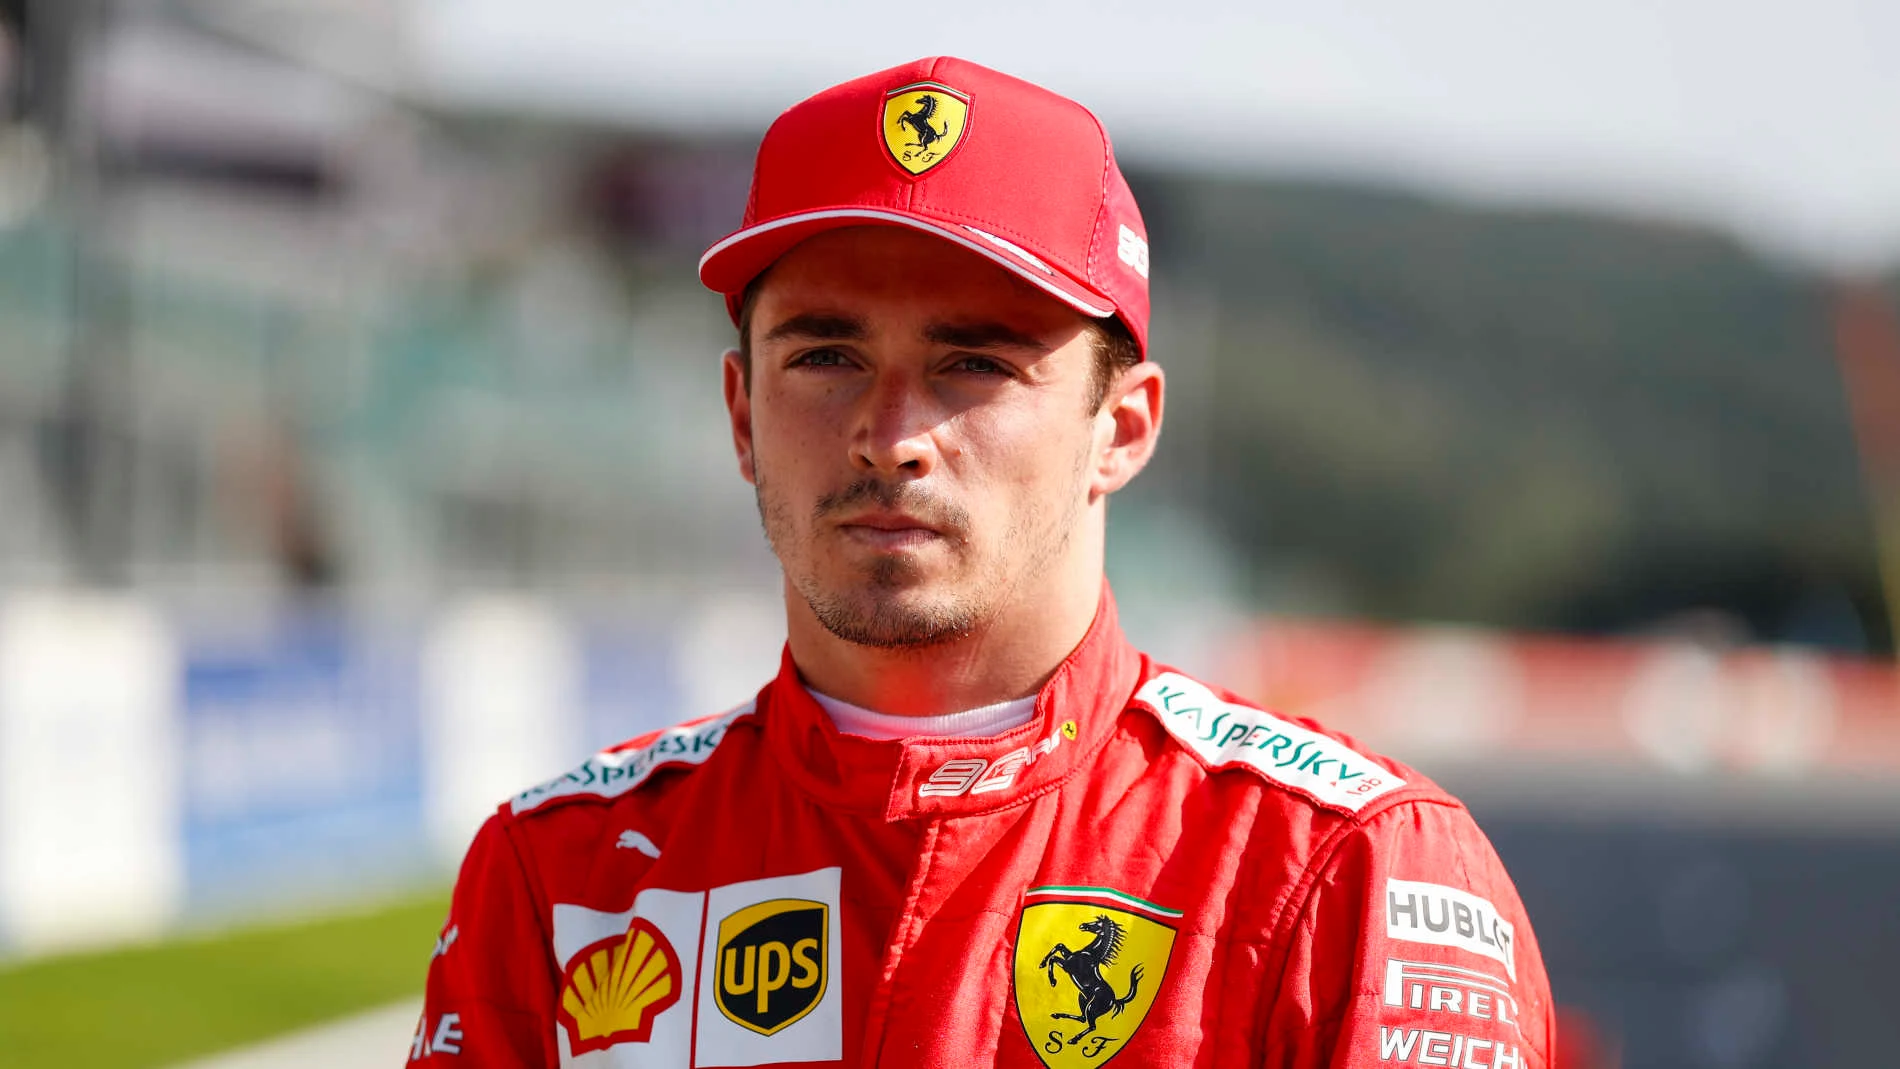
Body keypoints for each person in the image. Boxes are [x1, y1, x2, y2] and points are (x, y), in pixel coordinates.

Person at [414, 56, 1554, 1069]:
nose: (891, 434)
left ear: (1121, 429)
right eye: (825, 354)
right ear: (742, 414)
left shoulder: (1350, 871)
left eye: (975, 362)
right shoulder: (559, 876)